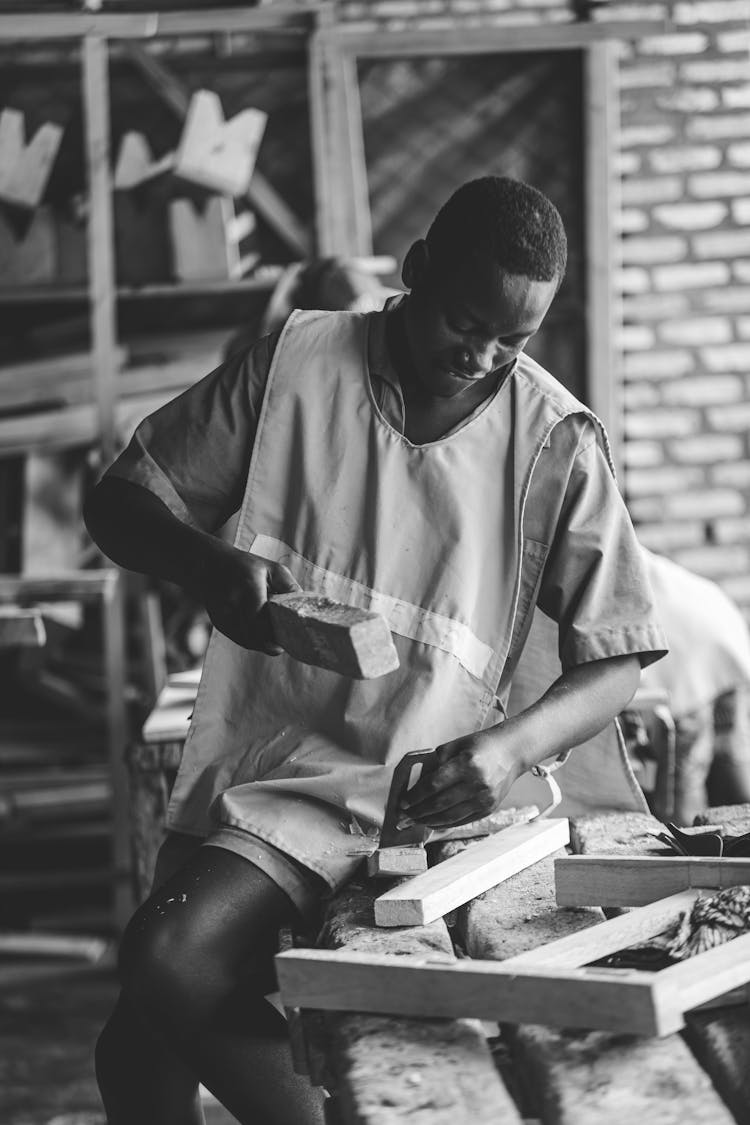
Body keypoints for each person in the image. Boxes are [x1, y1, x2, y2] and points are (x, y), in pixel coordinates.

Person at [84, 176, 667, 1125]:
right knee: (132, 1053)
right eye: (465, 321)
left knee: (168, 959)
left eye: (512, 340)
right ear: (417, 270)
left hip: (416, 790)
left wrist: (507, 750)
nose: (480, 357)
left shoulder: (555, 437)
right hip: (271, 764)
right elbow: (120, 501)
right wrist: (206, 564)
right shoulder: (297, 366)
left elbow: (618, 661)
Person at [635, 548, 750, 824]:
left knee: (684, 777)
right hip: (720, 638)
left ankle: (691, 851)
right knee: (729, 752)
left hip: (687, 661)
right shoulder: (624, 545)